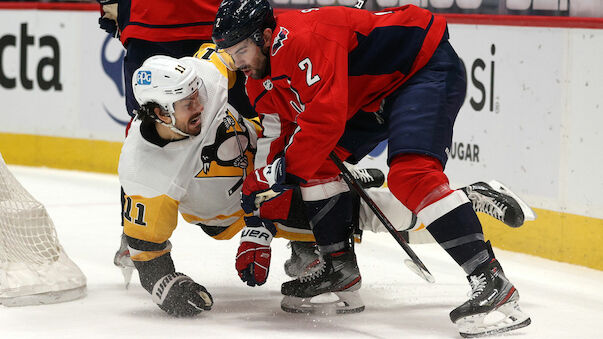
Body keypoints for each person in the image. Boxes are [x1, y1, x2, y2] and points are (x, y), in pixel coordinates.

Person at [119, 50, 533, 317]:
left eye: (196, 93)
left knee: (350, 204)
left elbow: (240, 52)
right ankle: (463, 199)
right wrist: (165, 284)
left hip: (272, 160)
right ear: (156, 112)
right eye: (186, 103)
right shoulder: (146, 173)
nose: (200, 104)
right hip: (244, 211)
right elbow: (148, 252)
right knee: (357, 215)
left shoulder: (201, 78)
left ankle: (466, 198)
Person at [211, 1, 531, 336]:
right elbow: (278, 136)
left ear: (265, 36)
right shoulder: (257, 78)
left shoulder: (302, 40)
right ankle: (339, 266)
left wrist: (279, 173)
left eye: (242, 50)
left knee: (411, 174)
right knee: (317, 162)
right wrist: (257, 223)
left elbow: (324, 121)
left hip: (420, 71)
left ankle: (490, 279)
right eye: (229, 54)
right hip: (371, 94)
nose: (237, 63)